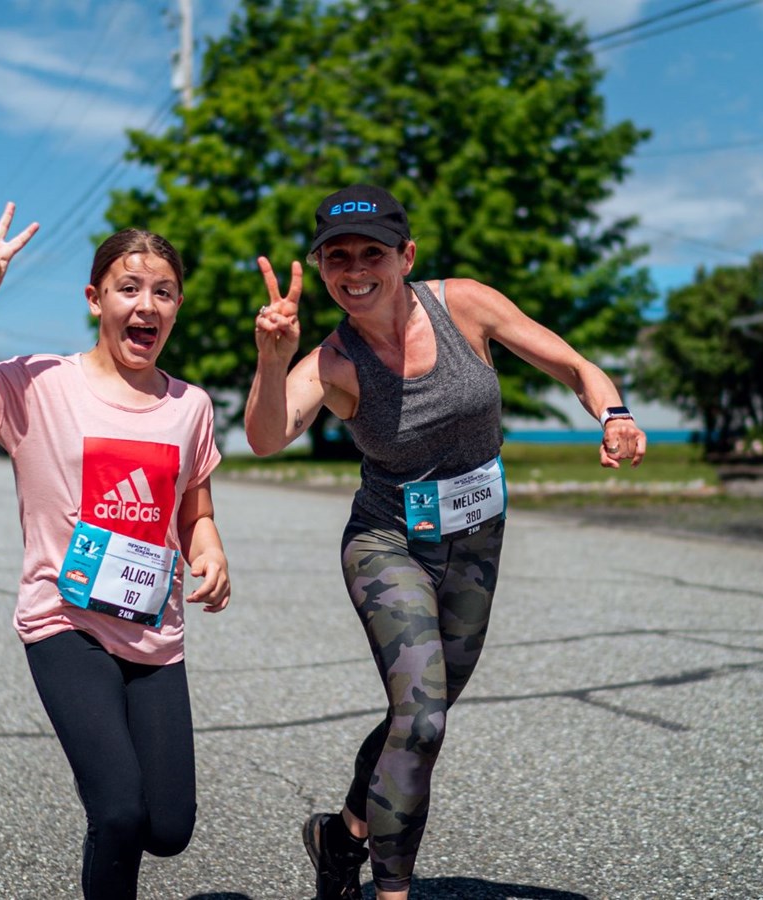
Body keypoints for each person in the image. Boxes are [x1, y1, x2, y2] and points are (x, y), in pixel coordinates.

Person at [245, 185, 647, 900]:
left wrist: (613, 414)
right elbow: (268, 438)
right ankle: (393, 891)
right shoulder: (334, 360)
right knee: (423, 715)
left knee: (418, 719)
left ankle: (339, 839)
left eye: (373, 252)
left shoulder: (464, 304)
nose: (355, 269)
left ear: (407, 256)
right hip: (387, 540)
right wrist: (273, 360)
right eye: (338, 257)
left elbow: (574, 366)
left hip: (476, 541)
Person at [0, 202, 230, 900]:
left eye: (163, 291)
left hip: (154, 631)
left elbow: (193, 504)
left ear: (177, 306)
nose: (147, 304)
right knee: (118, 809)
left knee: (166, 827)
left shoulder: (189, 406)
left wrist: (211, 549)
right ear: (95, 299)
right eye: (128, 287)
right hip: (64, 621)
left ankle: (117, 827)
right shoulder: (38, 382)